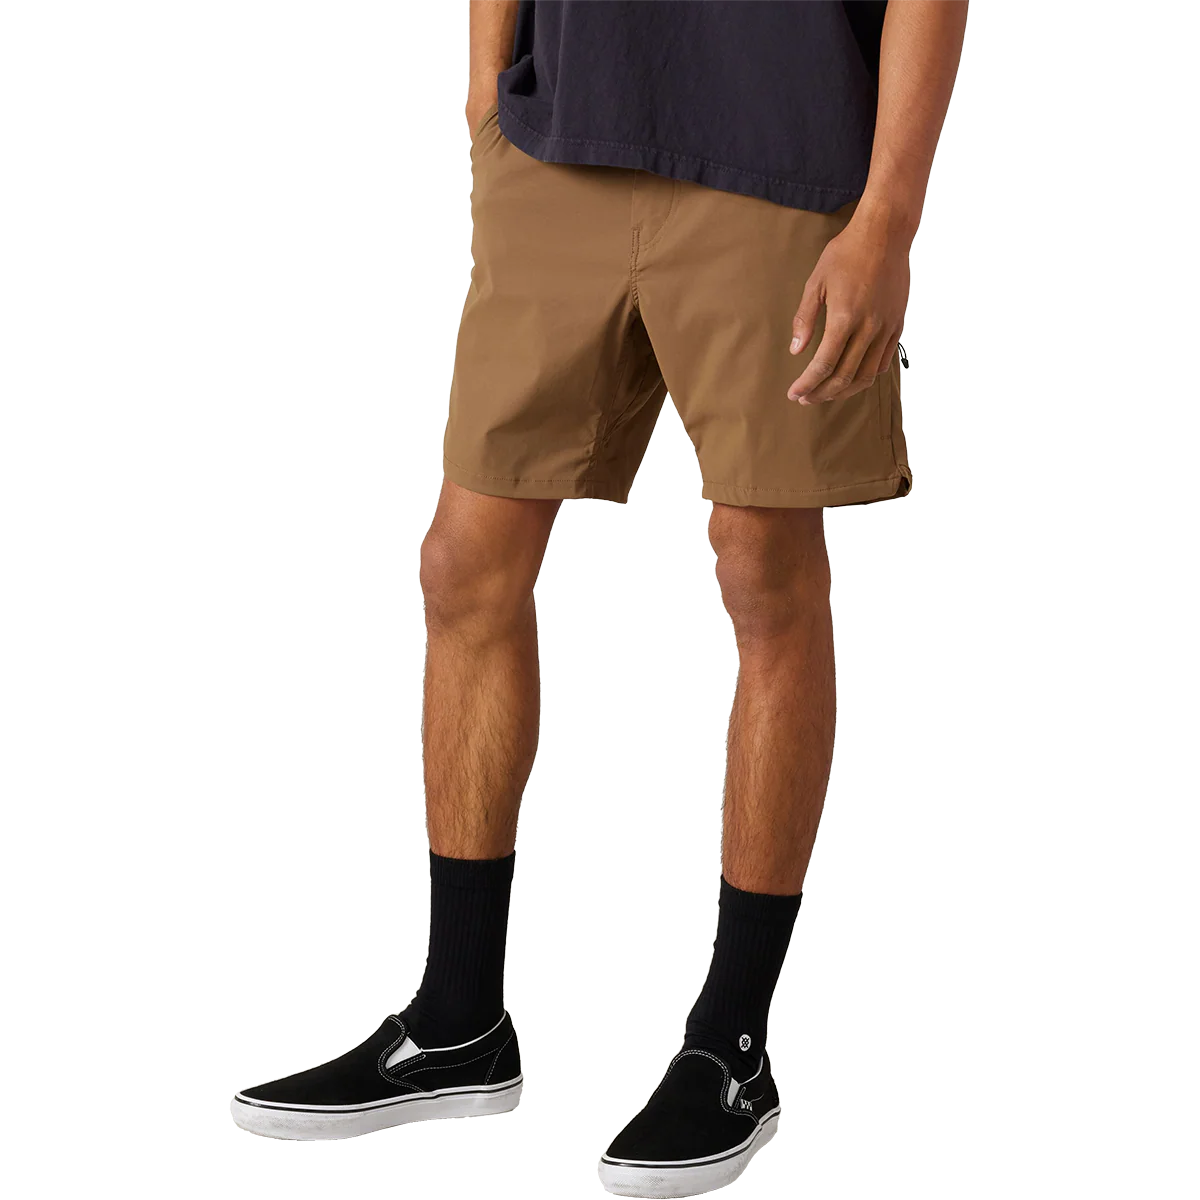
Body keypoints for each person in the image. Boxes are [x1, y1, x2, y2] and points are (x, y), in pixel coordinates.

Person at [230, 0, 968, 1191]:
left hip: (782, 156)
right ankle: (457, 1022)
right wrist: (488, 94)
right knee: (466, 560)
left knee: (763, 569)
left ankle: (731, 1049)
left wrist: (887, 214)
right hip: (559, 143)